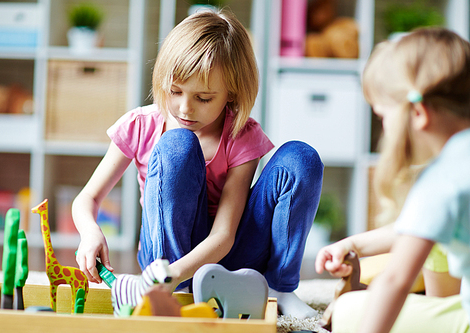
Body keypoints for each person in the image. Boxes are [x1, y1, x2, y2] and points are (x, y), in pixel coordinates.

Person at [72, 10, 323, 319]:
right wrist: (90, 232)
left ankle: (278, 288)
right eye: (174, 91)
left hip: (227, 258)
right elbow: (88, 197)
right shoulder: (141, 124)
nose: (184, 108)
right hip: (164, 262)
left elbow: (224, 235)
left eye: (204, 98)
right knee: (178, 144)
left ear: (231, 94)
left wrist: (178, 273)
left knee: (301, 159)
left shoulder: (241, 136)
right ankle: (174, 290)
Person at [315, 27, 470, 333]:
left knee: (347, 311)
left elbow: (395, 281)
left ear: (418, 113)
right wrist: (355, 243)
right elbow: (418, 227)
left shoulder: (442, 178)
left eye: (384, 117)